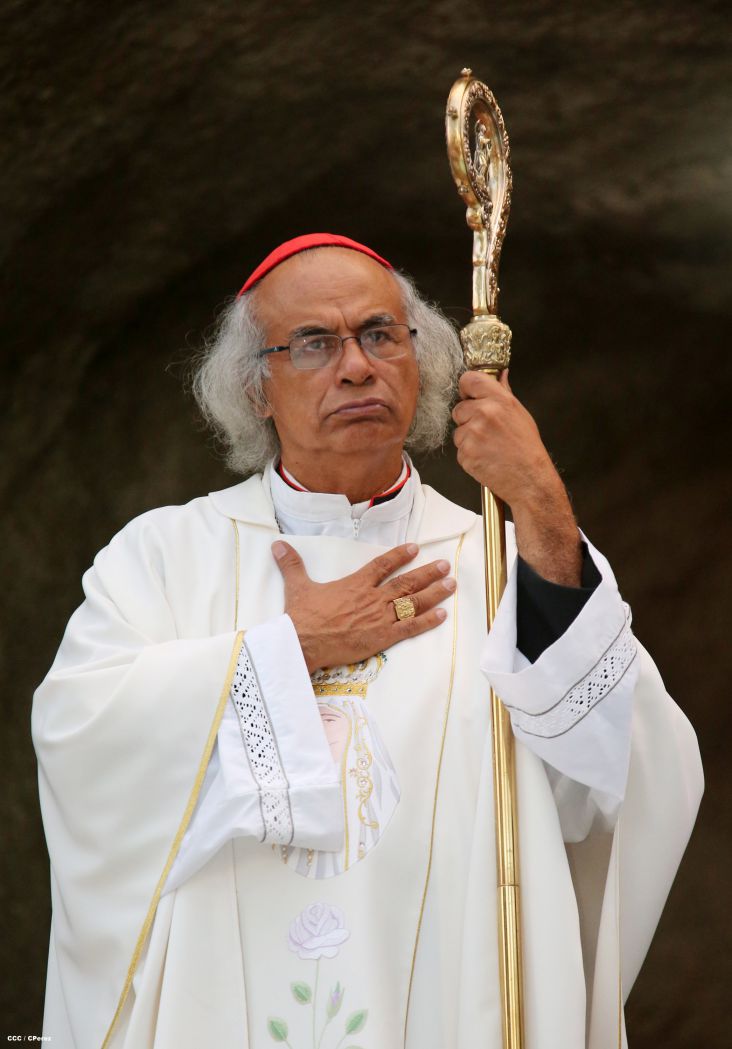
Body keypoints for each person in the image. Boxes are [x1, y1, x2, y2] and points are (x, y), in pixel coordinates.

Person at [32, 233, 703, 1049]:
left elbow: (625, 771)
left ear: (420, 363)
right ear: (256, 390)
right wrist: (287, 651)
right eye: (314, 342)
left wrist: (540, 502)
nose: (356, 366)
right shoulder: (164, 558)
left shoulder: (500, 559)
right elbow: (79, 740)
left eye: (381, 335)